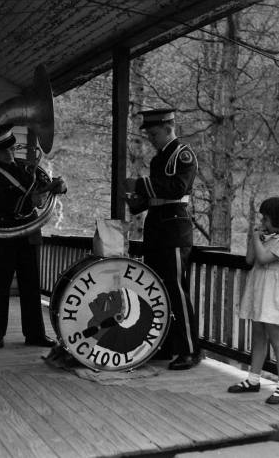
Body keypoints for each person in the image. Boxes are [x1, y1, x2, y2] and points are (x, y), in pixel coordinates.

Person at [0, 123, 67, 348]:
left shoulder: (26, 167)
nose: (9, 154)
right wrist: (31, 200)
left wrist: (59, 187)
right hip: (6, 233)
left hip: (29, 234)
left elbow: (48, 185)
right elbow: (2, 204)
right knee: (0, 285)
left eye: (11, 149)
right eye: (4, 151)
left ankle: (35, 334)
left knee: (31, 285)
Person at [124, 108, 200, 370]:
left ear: (169, 129)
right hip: (156, 228)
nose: (151, 139)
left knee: (177, 291)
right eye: (149, 135)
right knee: (157, 289)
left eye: (154, 134)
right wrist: (134, 201)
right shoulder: (159, 160)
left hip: (175, 231)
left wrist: (139, 184)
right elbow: (152, 197)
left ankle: (190, 350)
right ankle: (165, 345)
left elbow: (177, 188)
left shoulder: (183, 155)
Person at [228, 196, 279, 404]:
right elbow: (250, 259)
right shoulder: (268, 237)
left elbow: (264, 259)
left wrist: (258, 239)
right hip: (258, 290)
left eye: (266, 219)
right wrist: (255, 238)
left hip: (272, 294)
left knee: (277, 340)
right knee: (258, 337)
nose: (263, 223)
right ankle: (253, 380)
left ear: (277, 220)